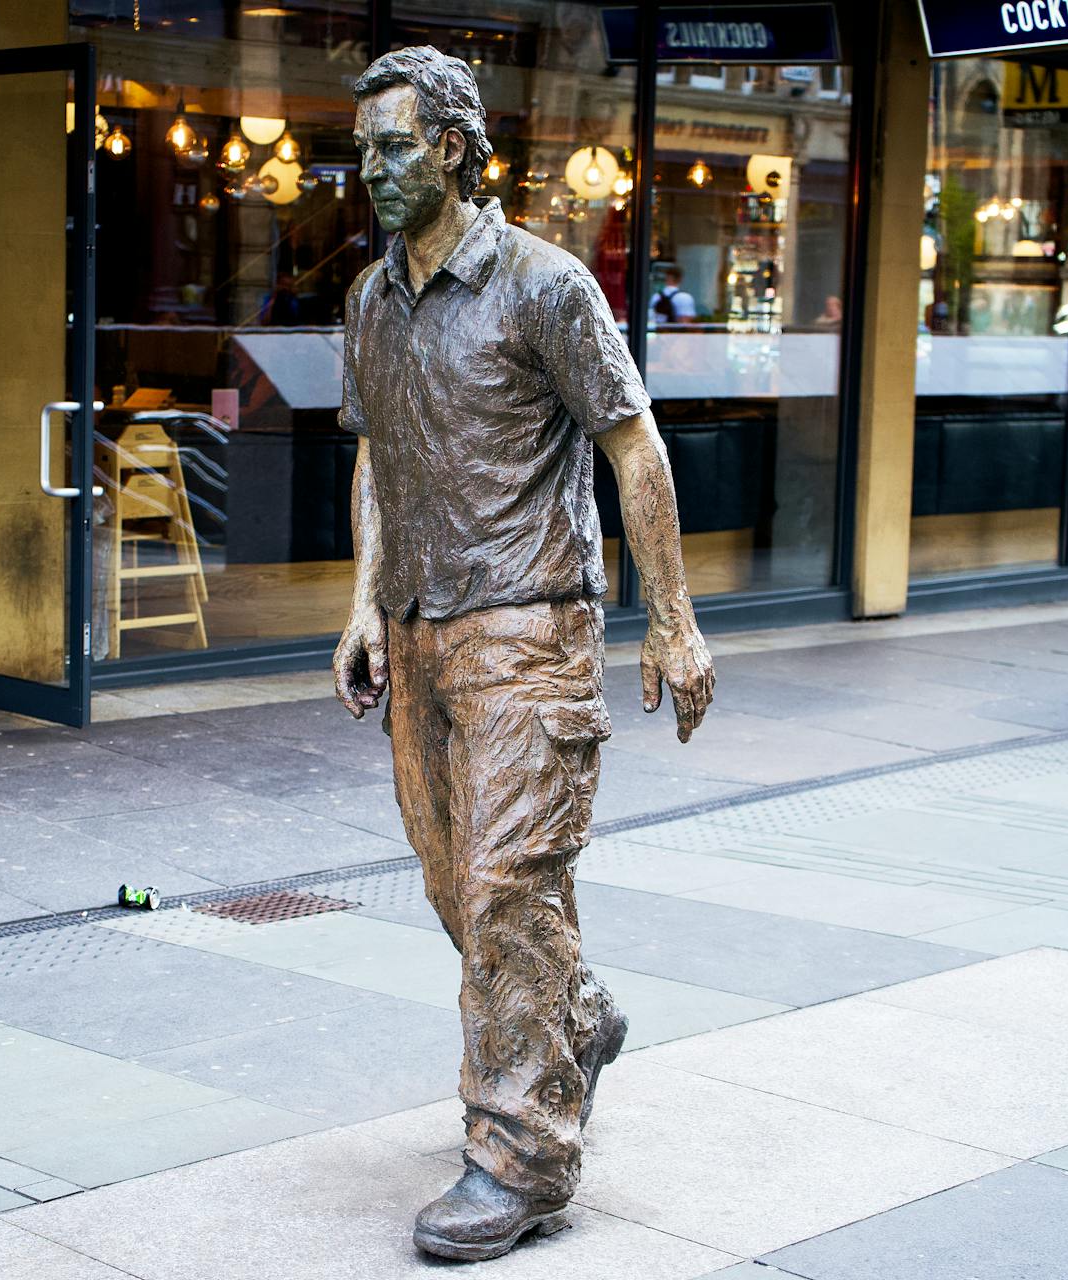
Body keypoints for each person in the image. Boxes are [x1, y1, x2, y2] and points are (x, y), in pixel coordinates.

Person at [333, 46, 715, 1263]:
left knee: (508, 886)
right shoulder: (370, 299)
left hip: (529, 629)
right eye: (363, 150)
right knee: (459, 887)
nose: (372, 170)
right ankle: (573, 1017)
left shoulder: (546, 286)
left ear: (450, 147)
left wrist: (675, 617)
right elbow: (376, 458)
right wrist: (358, 607)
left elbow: (634, 448)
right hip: (415, 628)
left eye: (393, 148)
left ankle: (520, 1157)